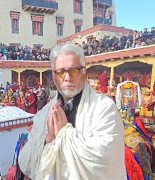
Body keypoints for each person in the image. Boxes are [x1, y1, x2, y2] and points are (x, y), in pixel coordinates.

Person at [18, 43, 126, 179]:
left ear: (84, 72)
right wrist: (48, 140)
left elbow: (105, 156)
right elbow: (26, 161)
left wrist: (65, 133)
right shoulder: (43, 114)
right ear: (54, 75)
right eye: (61, 72)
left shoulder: (104, 108)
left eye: (73, 70)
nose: (67, 78)